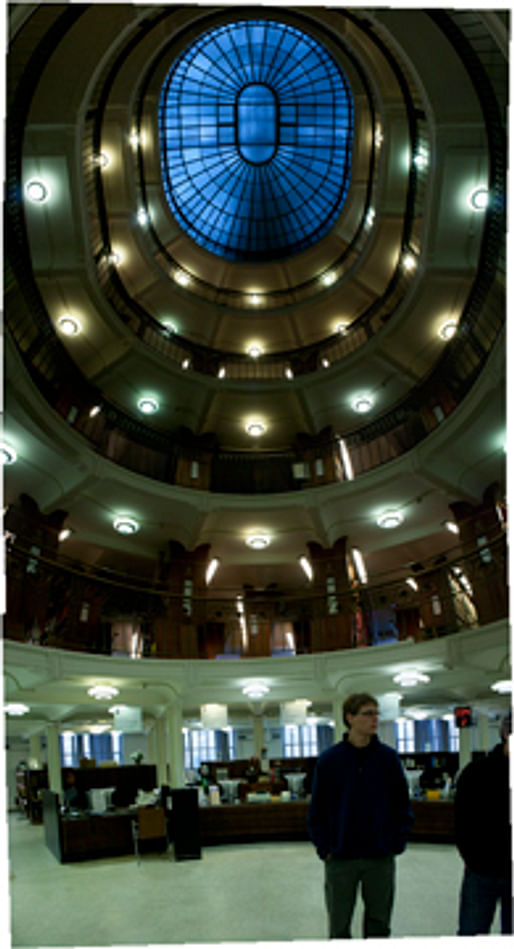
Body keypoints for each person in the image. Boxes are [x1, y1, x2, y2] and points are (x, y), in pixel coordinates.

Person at [307, 692, 413, 939]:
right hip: (341, 858)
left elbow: (402, 805)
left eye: (376, 713)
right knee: (339, 925)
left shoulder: (388, 759)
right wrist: (325, 848)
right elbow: (317, 811)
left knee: (379, 924)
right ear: (350, 718)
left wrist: (395, 842)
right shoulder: (329, 761)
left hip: (380, 857)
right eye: (368, 714)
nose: (375, 719)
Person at [455, 709, 512, 936]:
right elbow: (462, 823)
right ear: (505, 733)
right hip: (482, 871)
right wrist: (472, 858)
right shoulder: (477, 772)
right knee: (472, 933)